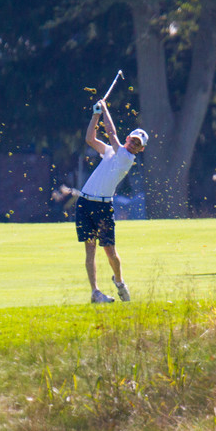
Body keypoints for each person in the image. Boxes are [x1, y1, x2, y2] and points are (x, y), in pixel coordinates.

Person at [76, 99, 148, 303]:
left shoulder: (126, 158)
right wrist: (95, 115)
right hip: (85, 202)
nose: (134, 144)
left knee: (110, 251)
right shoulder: (111, 151)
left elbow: (111, 133)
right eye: (133, 140)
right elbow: (90, 139)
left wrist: (105, 109)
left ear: (140, 150)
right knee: (90, 248)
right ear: (129, 138)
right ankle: (95, 292)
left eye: (138, 144)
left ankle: (119, 282)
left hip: (103, 206)